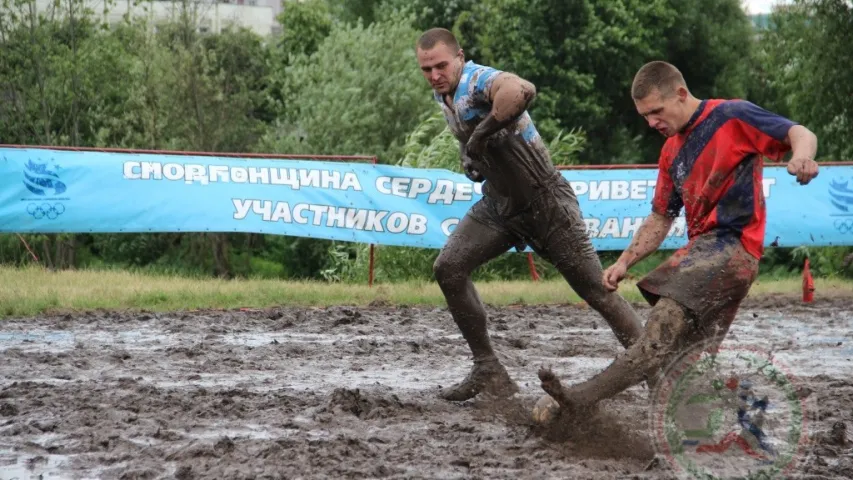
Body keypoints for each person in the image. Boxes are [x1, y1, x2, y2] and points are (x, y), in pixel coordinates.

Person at [538, 60, 819, 415]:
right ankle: (700, 437)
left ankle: (578, 399)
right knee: (684, 368)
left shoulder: (732, 115)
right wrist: (625, 261)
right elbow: (660, 218)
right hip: (711, 255)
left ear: (681, 94)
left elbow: (800, 133)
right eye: (644, 116)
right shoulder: (670, 151)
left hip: (730, 247)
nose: (652, 122)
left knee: (658, 331)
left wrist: (804, 157)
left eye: (656, 111)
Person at [415, 27, 645, 402]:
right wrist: (471, 157)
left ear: (459, 57)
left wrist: (480, 136)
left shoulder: (476, 79)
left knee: (595, 291)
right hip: (500, 207)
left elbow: (521, 90)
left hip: (546, 204)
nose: (435, 75)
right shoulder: (446, 95)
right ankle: (488, 369)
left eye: (441, 65)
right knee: (448, 267)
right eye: (426, 69)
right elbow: (472, 139)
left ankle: (655, 367)